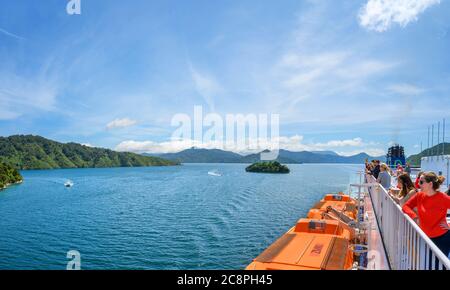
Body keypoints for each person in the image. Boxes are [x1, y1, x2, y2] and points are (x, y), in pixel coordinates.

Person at [402, 172, 450, 257]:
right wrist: (414, 216)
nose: (417, 184)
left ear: (430, 184)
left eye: (421, 182)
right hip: (425, 237)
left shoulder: (443, 198)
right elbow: (405, 206)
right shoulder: (419, 195)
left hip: (442, 238)